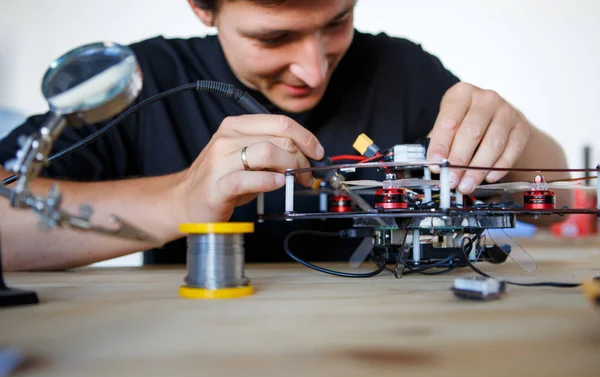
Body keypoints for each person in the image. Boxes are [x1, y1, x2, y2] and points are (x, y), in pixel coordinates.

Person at [0, 0, 571, 271]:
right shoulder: (139, 84)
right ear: (203, 8)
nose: (314, 70)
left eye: (337, 22)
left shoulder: (404, 70)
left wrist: (515, 137)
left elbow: (559, 203)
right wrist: (179, 199)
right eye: (274, 39)